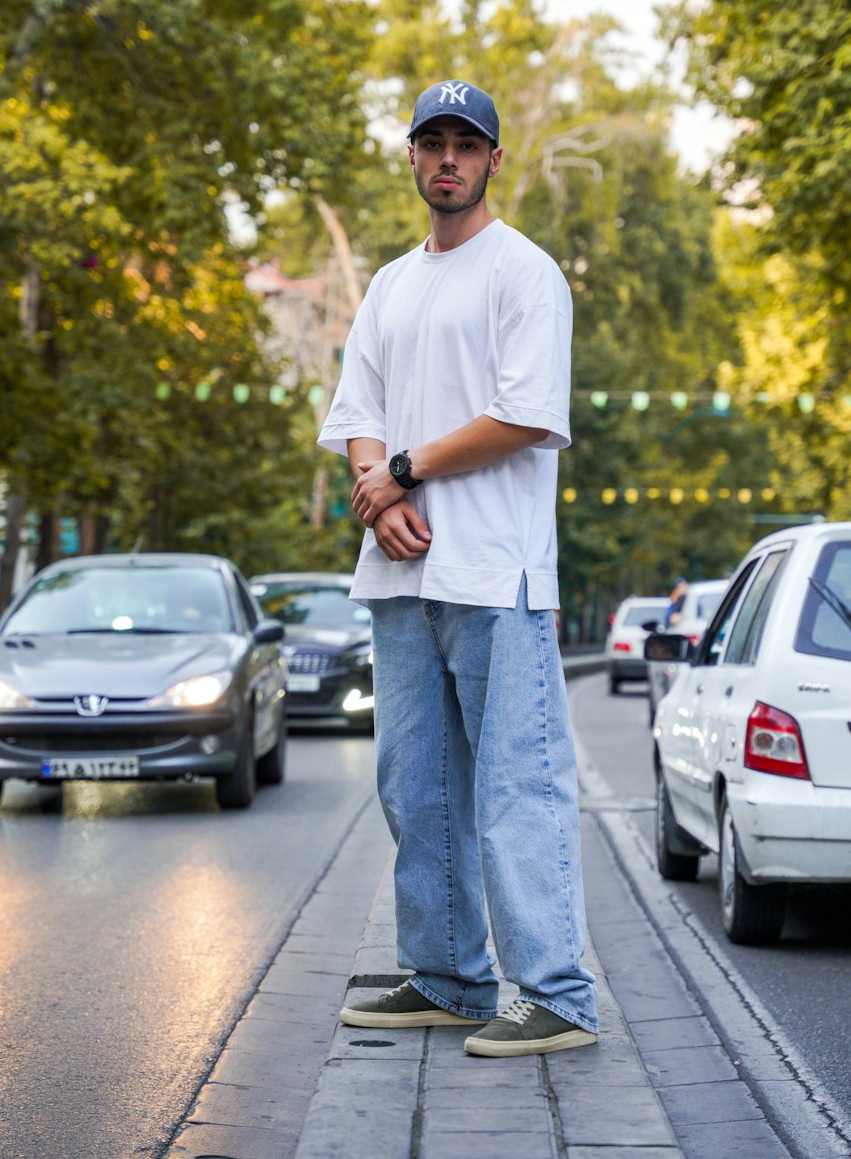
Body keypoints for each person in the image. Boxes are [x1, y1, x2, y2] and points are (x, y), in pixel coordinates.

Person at [317, 78, 598, 1058]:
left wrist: (401, 470)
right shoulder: (392, 283)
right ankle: (448, 975)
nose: (447, 157)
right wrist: (376, 484)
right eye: (430, 140)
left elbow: (528, 414)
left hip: (495, 575)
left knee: (516, 786)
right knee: (416, 786)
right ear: (411, 157)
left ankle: (557, 994)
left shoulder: (524, 274)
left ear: (491, 160)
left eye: (464, 143)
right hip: (400, 579)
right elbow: (357, 406)